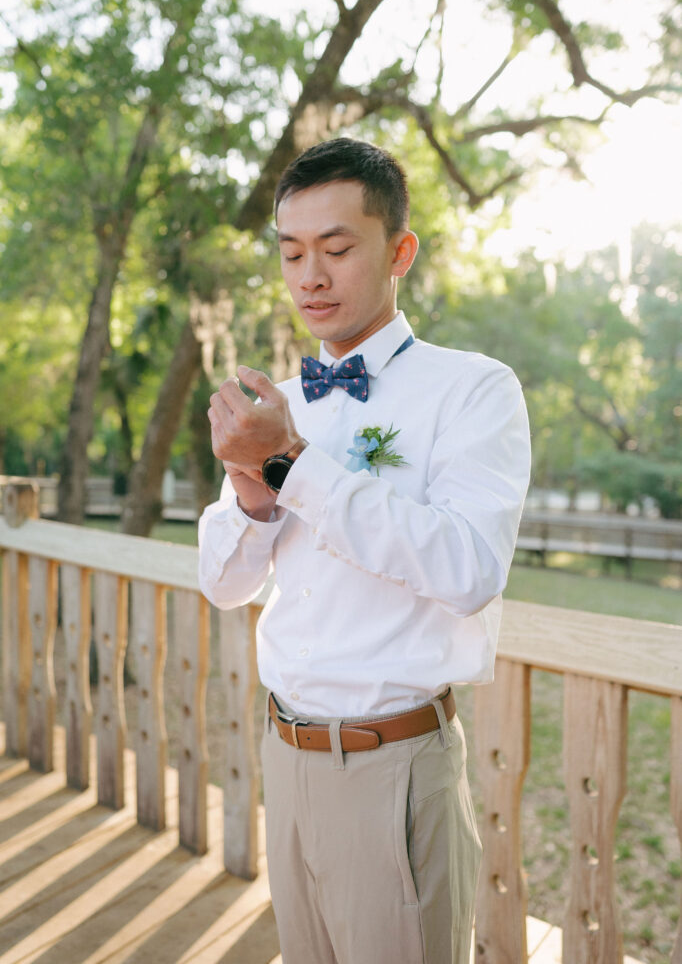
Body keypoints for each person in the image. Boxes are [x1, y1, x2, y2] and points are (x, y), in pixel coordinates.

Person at [198, 137, 531, 964]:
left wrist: (293, 463)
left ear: (400, 252)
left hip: (392, 764)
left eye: (338, 249)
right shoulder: (278, 399)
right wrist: (250, 492)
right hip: (286, 751)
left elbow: (468, 570)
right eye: (292, 252)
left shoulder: (473, 388)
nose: (311, 275)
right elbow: (225, 585)